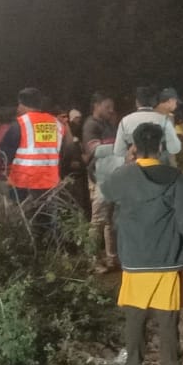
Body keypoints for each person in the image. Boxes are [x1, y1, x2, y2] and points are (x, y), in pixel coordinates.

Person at [102, 123, 183, 365]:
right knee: (168, 318)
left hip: (134, 259)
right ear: (160, 146)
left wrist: (126, 163)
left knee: (135, 318)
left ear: (135, 147)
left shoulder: (123, 176)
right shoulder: (174, 176)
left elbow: (106, 191)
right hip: (167, 257)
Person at [1, 88, 66, 201]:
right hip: (50, 183)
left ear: (21, 104)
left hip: (23, 184)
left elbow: (4, 153)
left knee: (23, 217)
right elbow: (63, 151)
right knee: (48, 217)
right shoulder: (56, 124)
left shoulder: (20, 124)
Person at [82, 92, 119, 266]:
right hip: (99, 177)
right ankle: (92, 259)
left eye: (112, 107)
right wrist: (120, 147)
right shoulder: (91, 125)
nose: (111, 111)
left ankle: (112, 257)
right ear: (96, 105)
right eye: (107, 107)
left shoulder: (108, 124)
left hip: (111, 176)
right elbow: (94, 150)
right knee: (98, 220)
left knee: (110, 220)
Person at [115, 87, 182, 164]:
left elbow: (118, 151)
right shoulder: (164, 120)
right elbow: (175, 148)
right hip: (159, 166)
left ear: (137, 102)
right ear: (154, 102)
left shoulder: (125, 121)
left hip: (135, 166)